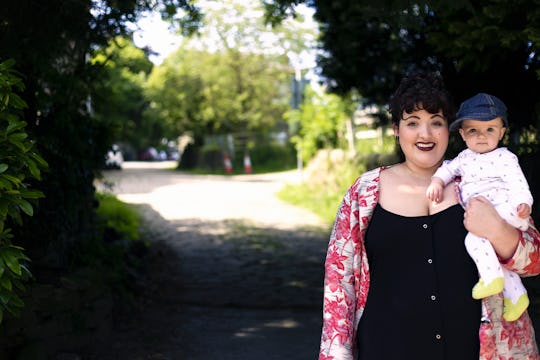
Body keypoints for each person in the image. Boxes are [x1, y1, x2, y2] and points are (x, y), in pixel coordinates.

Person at [318, 71, 540, 360]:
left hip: (477, 350)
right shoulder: (365, 192)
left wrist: (497, 229)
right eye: (413, 123)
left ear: (451, 130)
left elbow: (534, 262)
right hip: (387, 350)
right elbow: (339, 282)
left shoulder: (483, 182)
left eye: (436, 123)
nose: (425, 134)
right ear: (396, 129)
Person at [426, 93, 533, 323]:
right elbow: (447, 170)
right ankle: (517, 295)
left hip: (505, 210)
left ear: (502, 132)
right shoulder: (464, 157)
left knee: (473, 241)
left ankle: (491, 278)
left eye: (490, 130)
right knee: (491, 251)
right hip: (483, 213)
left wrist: (523, 203)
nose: (482, 136)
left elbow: (517, 183)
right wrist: (436, 181)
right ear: (463, 134)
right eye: (473, 130)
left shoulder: (505, 157)